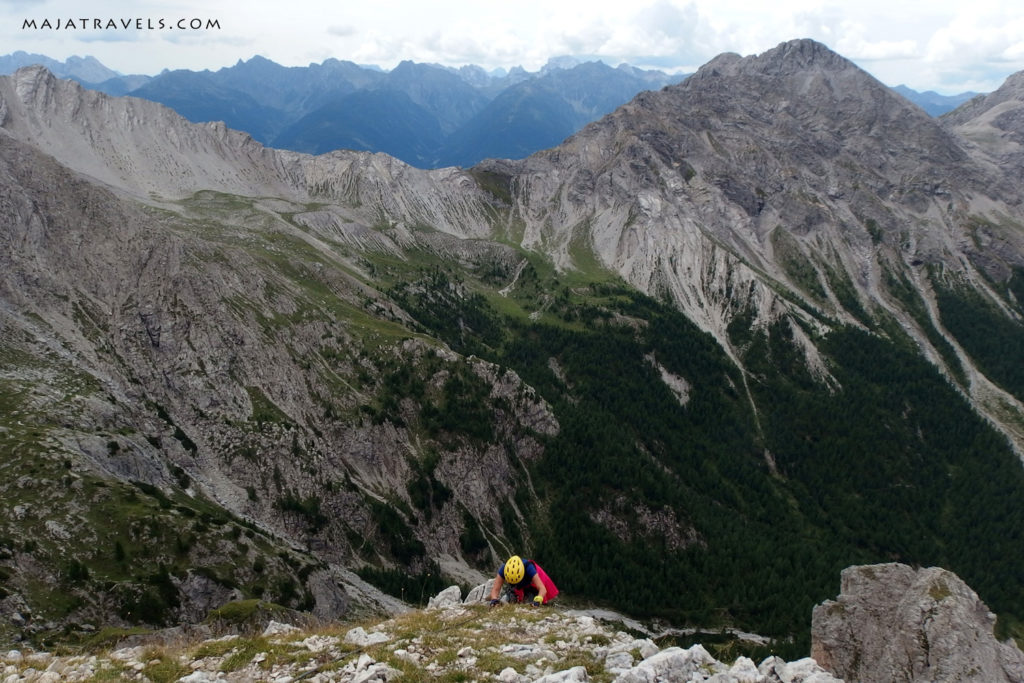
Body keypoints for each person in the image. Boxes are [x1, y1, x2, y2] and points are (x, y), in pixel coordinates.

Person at [488, 555, 559, 607]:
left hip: (531, 584)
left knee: (532, 603)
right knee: (511, 597)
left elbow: (542, 589)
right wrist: (494, 600)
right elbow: (495, 590)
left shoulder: (529, 568)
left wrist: (538, 599)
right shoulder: (503, 569)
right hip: (518, 585)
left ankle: (547, 605)